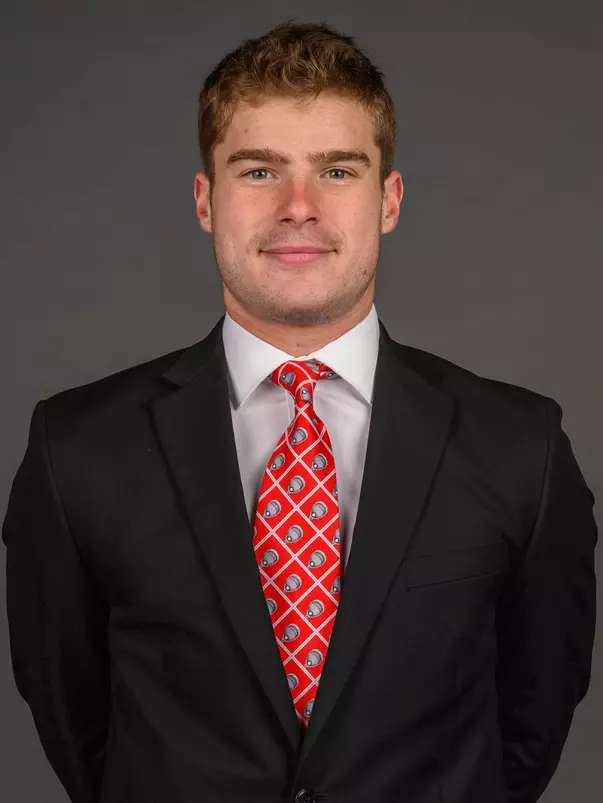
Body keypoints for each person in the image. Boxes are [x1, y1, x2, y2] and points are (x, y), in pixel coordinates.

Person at [2, 18, 597, 803]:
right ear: (204, 200)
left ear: (388, 199)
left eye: (338, 171)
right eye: (256, 171)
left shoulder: (520, 447)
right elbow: (74, 715)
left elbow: (531, 714)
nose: (297, 207)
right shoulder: (76, 448)